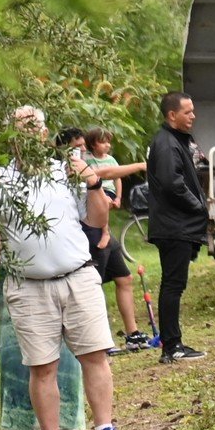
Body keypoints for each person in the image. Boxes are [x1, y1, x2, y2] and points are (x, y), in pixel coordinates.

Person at [0, 106, 129, 430]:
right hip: (28, 285)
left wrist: (93, 182)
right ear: (10, 136)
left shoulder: (65, 172)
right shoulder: (0, 180)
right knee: (42, 366)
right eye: (20, 128)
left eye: (34, 128)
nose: (28, 134)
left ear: (44, 134)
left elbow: (96, 219)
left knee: (94, 355)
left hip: (77, 275)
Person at [0, 236, 87, 430]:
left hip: (54, 300)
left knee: (54, 370)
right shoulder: (5, 229)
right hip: (17, 305)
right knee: (18, 375)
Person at [146, 91, 207, 363]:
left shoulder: (175, 140)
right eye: (187, 111)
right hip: (173, 226)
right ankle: (172, 346)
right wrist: (198, 206)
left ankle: (173, 343)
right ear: (172, 115)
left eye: (193, 110)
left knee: (174, 285)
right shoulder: (166, 143)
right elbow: (172, 184)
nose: (193, 116)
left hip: (175, 225)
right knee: (173, 285)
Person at [81, 127, 151, 350]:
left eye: (82, 146)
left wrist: (118, 197)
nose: (81, 150)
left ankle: (132, 334)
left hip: (104, 232)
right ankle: (100, 341)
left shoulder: (97, 161)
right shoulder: (78, 165)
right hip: (91, 234)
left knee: (125, 278)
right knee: (94, 287)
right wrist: (141, 165)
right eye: (77, 147)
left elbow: (113, 175)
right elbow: (106, 174)